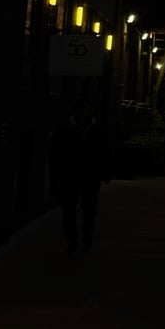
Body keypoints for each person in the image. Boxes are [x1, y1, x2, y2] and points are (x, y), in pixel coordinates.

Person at [49, 100, 108, 254]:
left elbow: (104, 151)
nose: (84, 113)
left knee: (88, 208)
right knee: (71, 208)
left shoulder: (94, 130)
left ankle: (84, 236)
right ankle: (74, 238)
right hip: (72, 174)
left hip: (88, 175)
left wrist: (104, 170)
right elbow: (56, 154)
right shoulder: (67, 131)